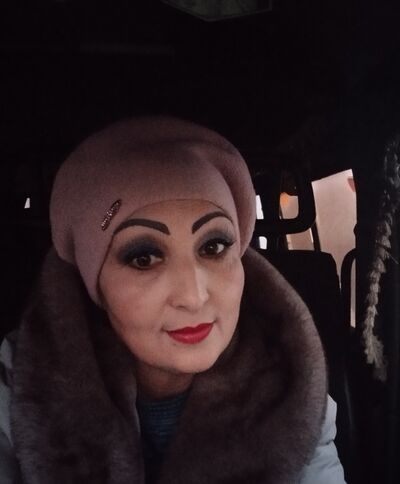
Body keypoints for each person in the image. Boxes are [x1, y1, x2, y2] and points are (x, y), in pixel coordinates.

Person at [0, 116, 346, 483]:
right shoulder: (21, 389)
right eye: (143, 258)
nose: (193, 297)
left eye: (214, 247)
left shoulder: (293, 386)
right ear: (93, 282)